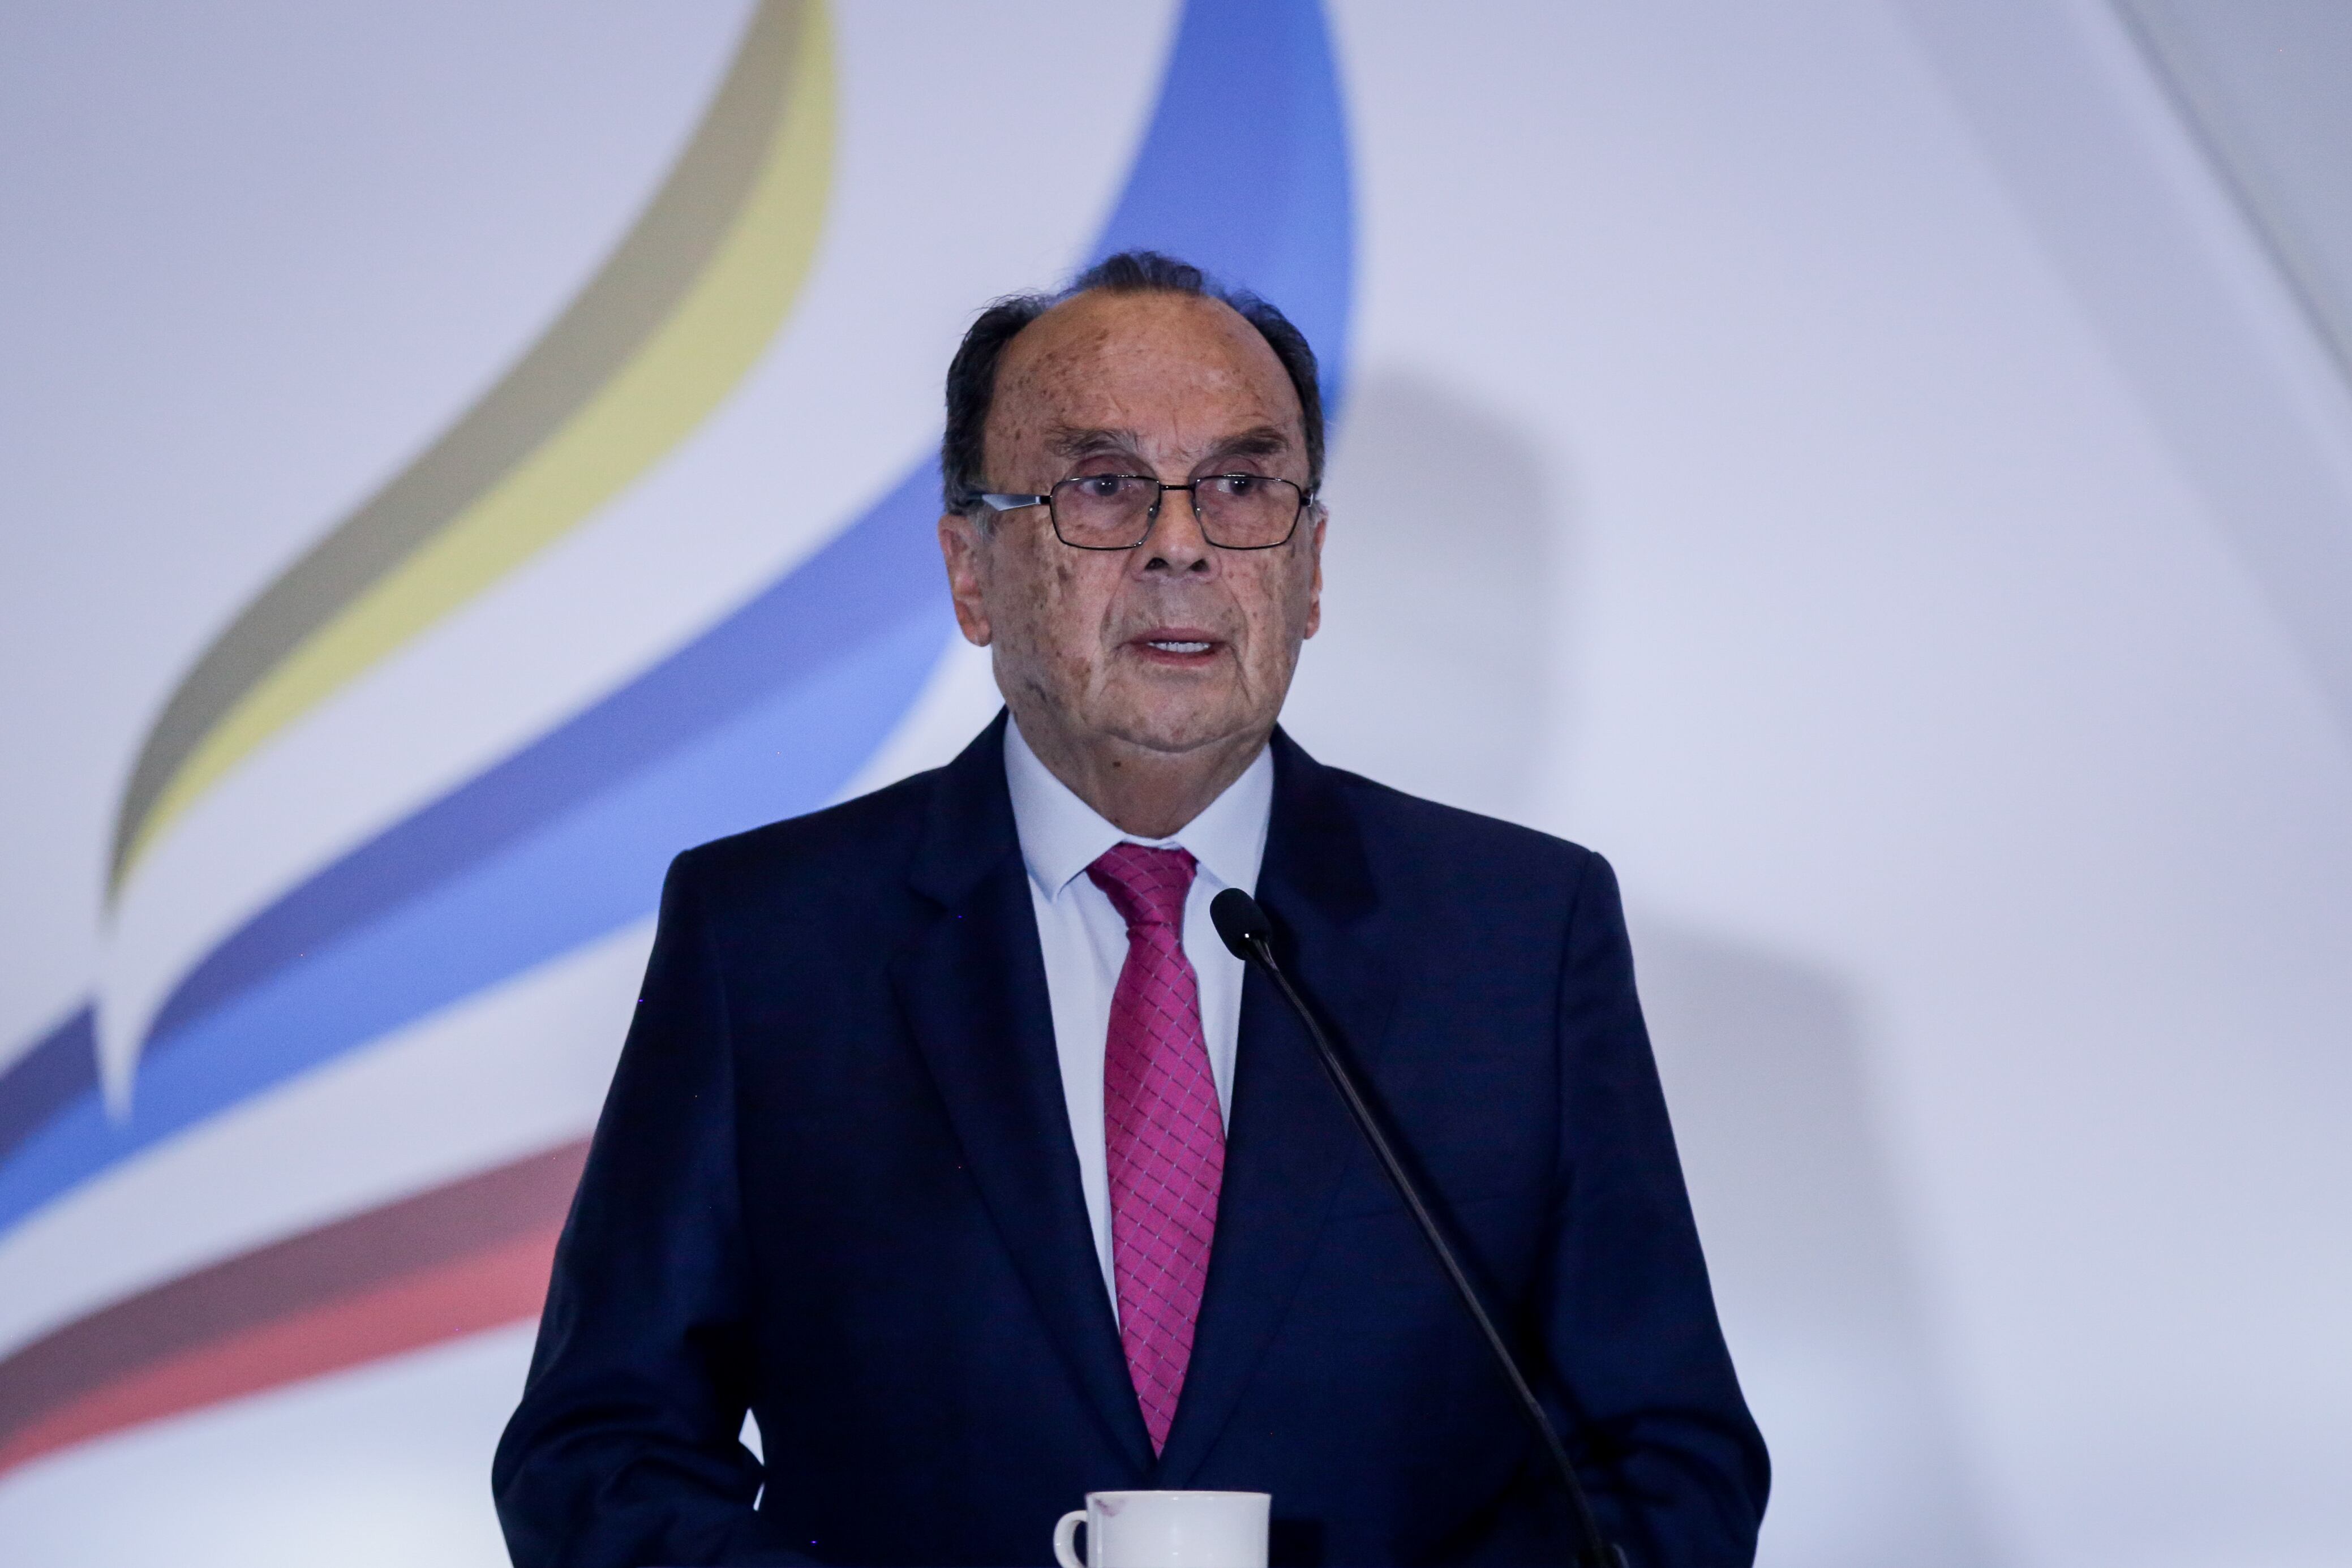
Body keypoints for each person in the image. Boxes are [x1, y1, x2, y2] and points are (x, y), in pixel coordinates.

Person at [493, 251, 1768, 1567]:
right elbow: (600, 1457)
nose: (1180, 544)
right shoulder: (768, 937)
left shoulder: (1515, 933)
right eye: (1101, 488)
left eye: (1240, 484)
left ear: (1310, 565)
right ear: (971, 569)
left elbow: (1662, 1465)